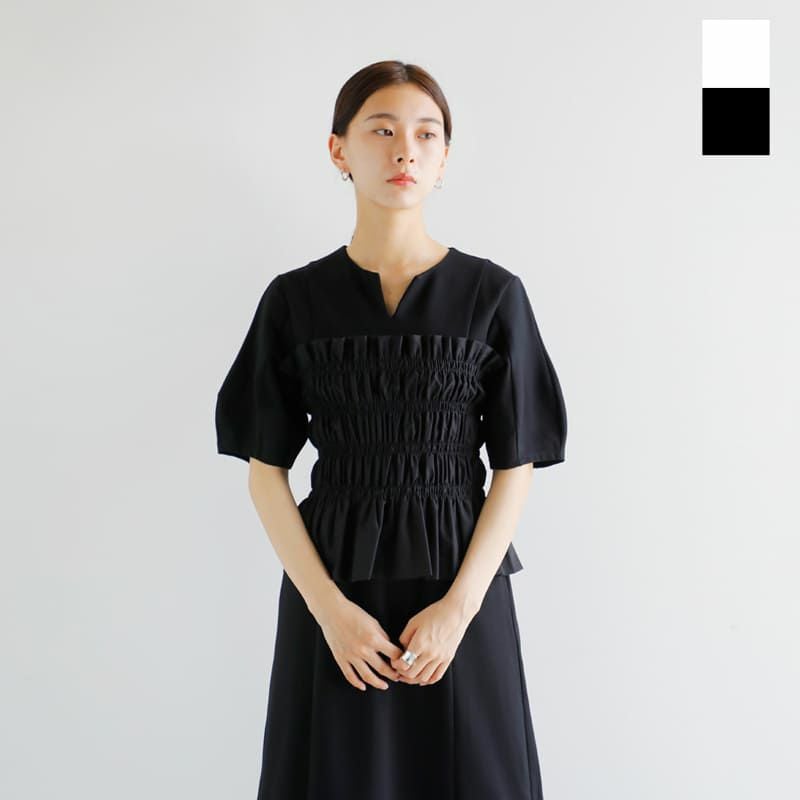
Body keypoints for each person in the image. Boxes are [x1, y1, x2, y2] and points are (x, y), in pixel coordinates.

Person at [215, 59, 568, 800]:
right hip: (335, 591)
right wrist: (330, 612)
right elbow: (265, 470)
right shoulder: (295, 300)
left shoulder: (492, 294)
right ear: (338, 149)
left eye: (426, 134)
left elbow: (517, 465)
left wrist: (459, 611)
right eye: (382, 130)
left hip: (460, 589)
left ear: (444, 159)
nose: (405, 149)